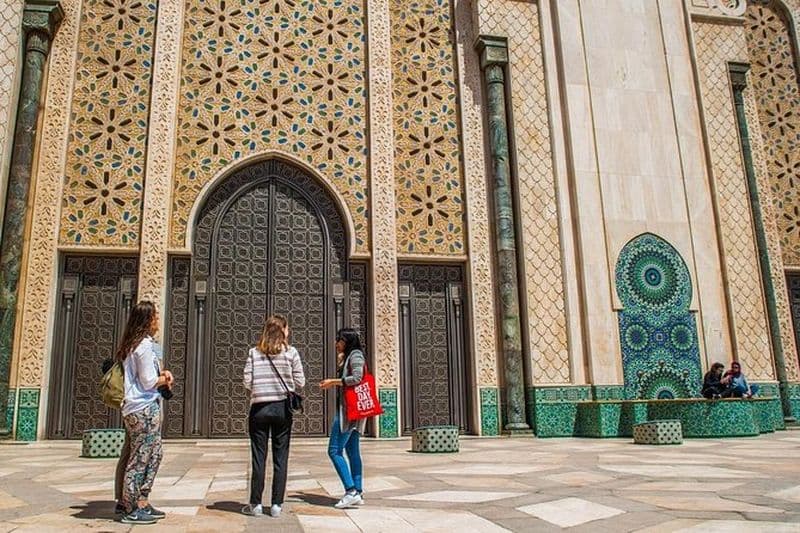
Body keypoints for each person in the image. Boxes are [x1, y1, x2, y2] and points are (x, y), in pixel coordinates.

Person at [242, 314, 305, 518]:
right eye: (287, 328)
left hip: (259, 409)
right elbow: (300, 381)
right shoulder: (291, 353)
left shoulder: (254, 352)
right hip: (281, 409)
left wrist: (261, 388)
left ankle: (255, 504)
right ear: (283, 330)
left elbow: (246, 381)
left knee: (258, 457)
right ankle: (277, 504)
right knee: (281, 457)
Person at [117, 301, 173, 525]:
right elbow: (149, 381)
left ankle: (142, 500)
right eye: (155, 317)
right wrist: (166, 378)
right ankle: (130, 507)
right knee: (139, 459)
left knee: (155, 453)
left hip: (144, 407)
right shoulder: (142, 346)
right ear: (148, 320)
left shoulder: (139, 344)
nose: (158, 320)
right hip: (141, 409)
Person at [320, 328, 367, 509]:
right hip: (353, 412)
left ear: (346, 341)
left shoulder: (355, 355)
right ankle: (358, 491)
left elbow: (357, 378)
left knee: (334, 450)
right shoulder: (351, 356)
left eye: (338, 340)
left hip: (348, 413)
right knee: (353, 451)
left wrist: (333, 381)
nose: (336, 344)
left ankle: (351, 491)